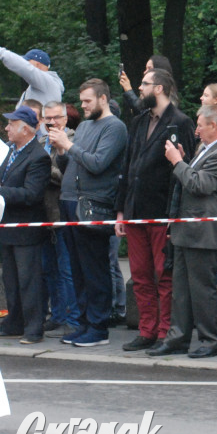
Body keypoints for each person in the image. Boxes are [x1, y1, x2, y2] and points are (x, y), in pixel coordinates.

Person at [147, 105, 217, 359]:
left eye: (200, 125)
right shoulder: (209, 147)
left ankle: (212, 340)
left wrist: (177, 163)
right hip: (189, 228)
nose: (196, 130)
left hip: (203, 231)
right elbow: (196, 176)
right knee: (182, 289)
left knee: (202, 290)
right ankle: (178, 337)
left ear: (213, 126)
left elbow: (200, 185)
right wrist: (185, 161)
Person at [115, 68, 196, 352]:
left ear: (159, 88)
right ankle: (146, 330)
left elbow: (185, 168)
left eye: (144, 84)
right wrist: (121, 212)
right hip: (135, 209)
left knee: (164, 275)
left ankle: (166, 332)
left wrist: (177, 216)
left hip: (163, 211)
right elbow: (127, 167)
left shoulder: (181, 122)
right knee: (139, 274)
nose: (139, 89)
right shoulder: (138, 122)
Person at [50, 79, 128, 348]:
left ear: (103, 99)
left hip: (93, 205)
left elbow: (98, 163)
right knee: (78, 268)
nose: (82, 106)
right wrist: (61, 149)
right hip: (70, 201)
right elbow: (70, 164)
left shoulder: (115, 128)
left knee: (94, 268)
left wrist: (69, 146)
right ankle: (84, 322)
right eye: (81, 101)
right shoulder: (83, 126)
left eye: (87, 101)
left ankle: (98, 327)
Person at [0, 107, 52, 344]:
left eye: (11, 124)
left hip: (26, 229)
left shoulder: (38, 156)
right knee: (10, 279)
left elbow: (32, 194)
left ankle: (33, 327)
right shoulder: (12, 151)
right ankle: (15, 321)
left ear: (25, 128)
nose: (7, 128)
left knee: (29, 280)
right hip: (8, 227)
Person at [39, 101, 80, 338]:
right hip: (42, 216)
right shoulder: (38, 142)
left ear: (65, 119)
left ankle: (74, 320)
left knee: (67, 270)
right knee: (49, 269)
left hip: (64, 214)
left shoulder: (73, 139)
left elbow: (69, 176)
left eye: (56, 117)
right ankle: (57, 316)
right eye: (47, 118)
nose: (51, 122)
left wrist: (42, 170)